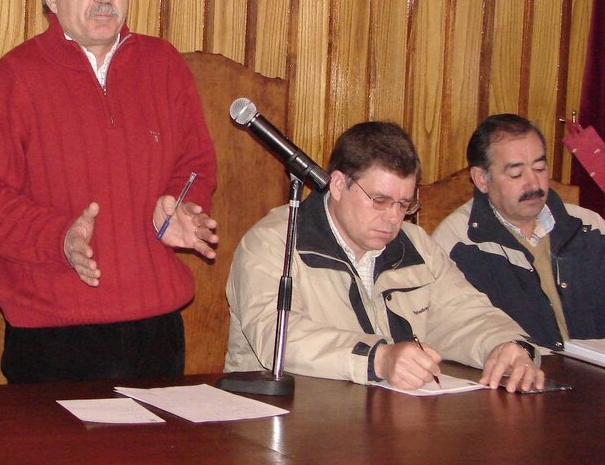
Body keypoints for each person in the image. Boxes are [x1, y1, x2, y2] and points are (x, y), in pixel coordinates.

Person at [0, 0, 217, 383]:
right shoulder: (11, 82)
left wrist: (180, 205)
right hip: (54, 330)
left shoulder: (163, 66)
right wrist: (58, 236)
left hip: (155, 325)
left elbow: (195, 164)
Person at [226, 121, 543, 392]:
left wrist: (506, 345)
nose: (393, 218)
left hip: (381, 423)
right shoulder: (273, 242)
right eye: (379, 200)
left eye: (404, 204)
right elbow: (275, 337)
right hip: (281, 424)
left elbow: (463, 312)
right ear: (337, 184)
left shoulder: (414, 244)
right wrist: (378, 358)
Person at [432, 114, 605, 350]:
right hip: (518, 377)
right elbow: (452, 330)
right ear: (482, 179)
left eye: (540, 168)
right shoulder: (457, 243)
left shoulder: (589, 225)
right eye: (516, 174)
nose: (534, 184)